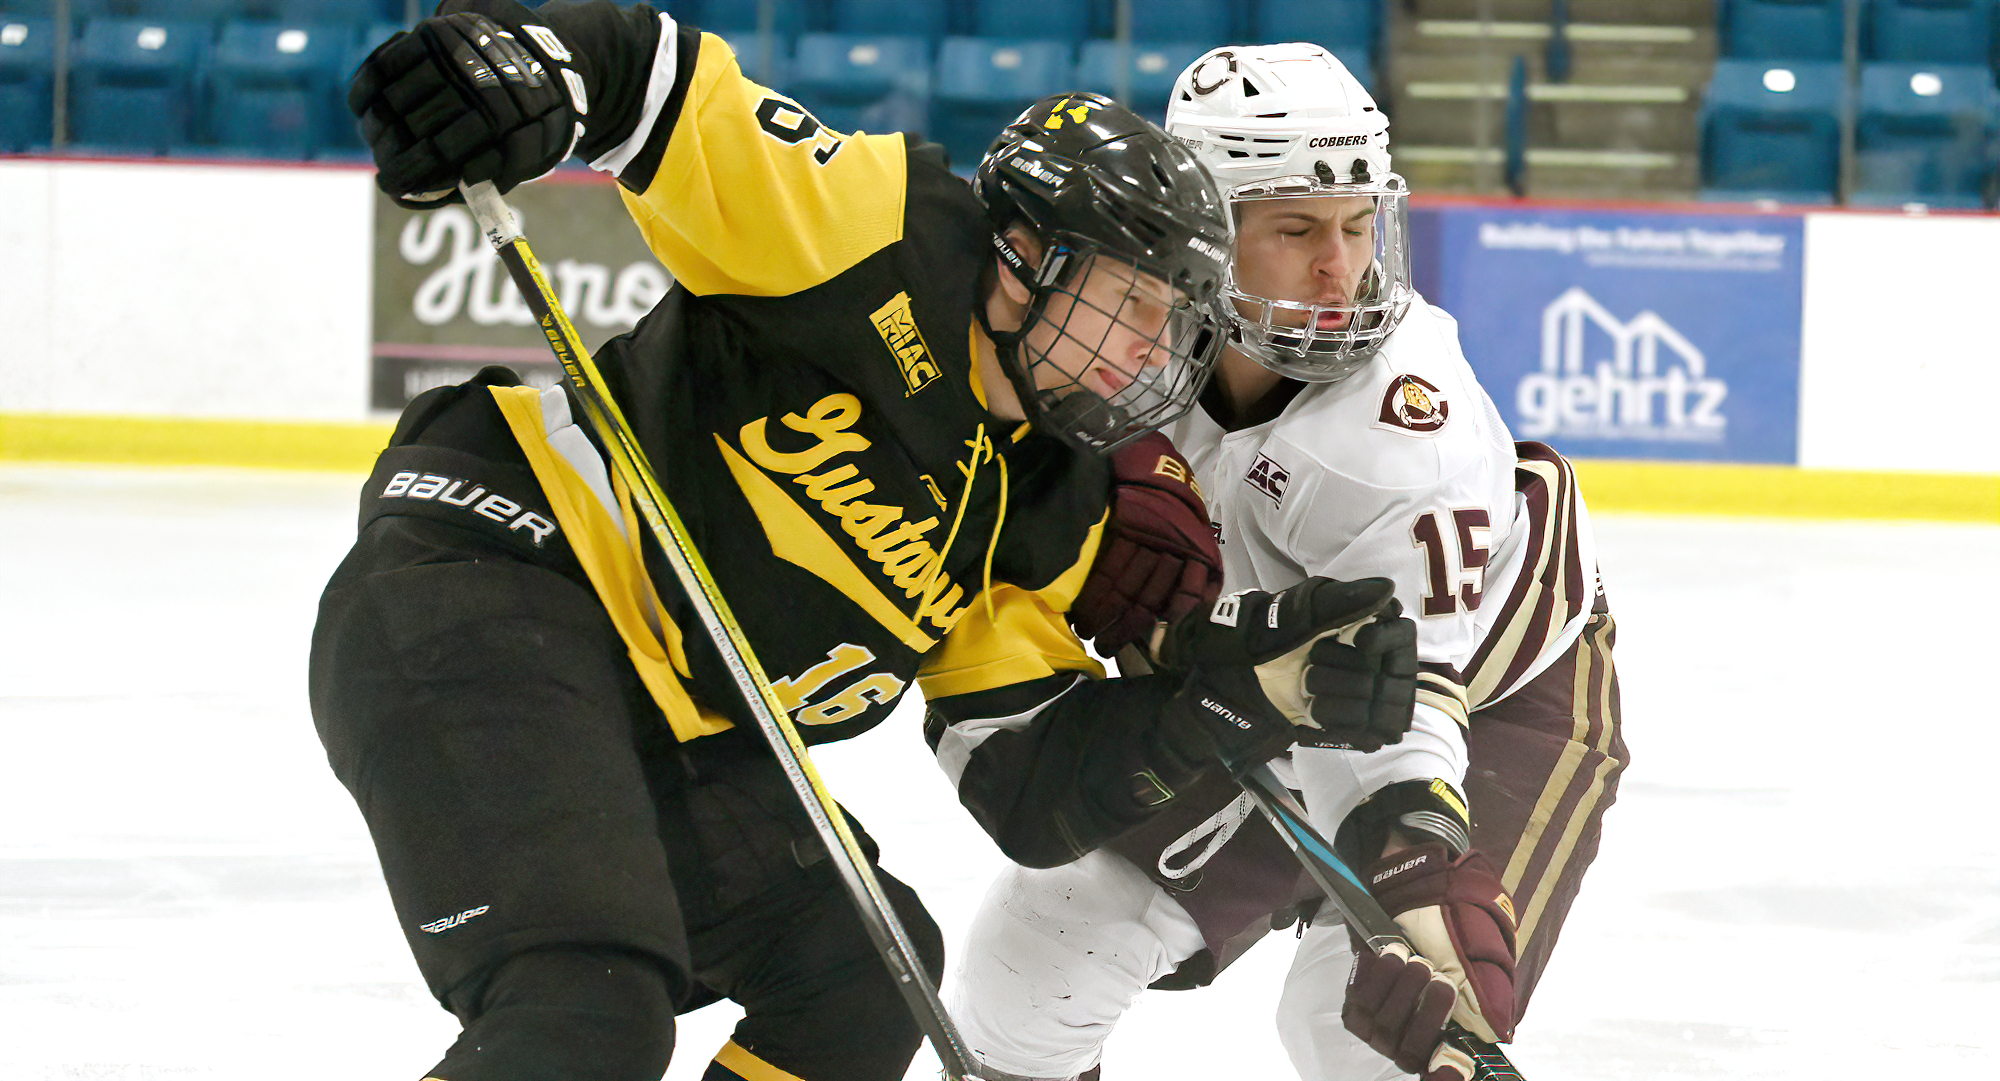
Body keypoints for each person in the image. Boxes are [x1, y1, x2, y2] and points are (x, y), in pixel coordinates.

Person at [311, 6, 1425, 1081]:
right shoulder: (875, 231)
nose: (1148, 355)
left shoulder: (1052, 505)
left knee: (859, 978)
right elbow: (659, 84)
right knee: (582, 1014)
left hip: (664, 717)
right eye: (1130, 304)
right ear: (1024, 255)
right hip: (497, 574)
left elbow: (1026, 779)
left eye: (1172, 323)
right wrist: (530, 68)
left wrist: (1243, 695)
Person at [945, 44, 1629, 1081]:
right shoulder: (1121, 324)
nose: (1341, 268)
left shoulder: (1402, 436)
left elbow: (1393, 718)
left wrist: (1422, 897)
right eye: (1297, 229)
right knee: (1031, 968)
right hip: (1255, 687)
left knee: (1367, 1038)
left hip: (1481, 703)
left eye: (1359, 227)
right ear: (1205, 235)